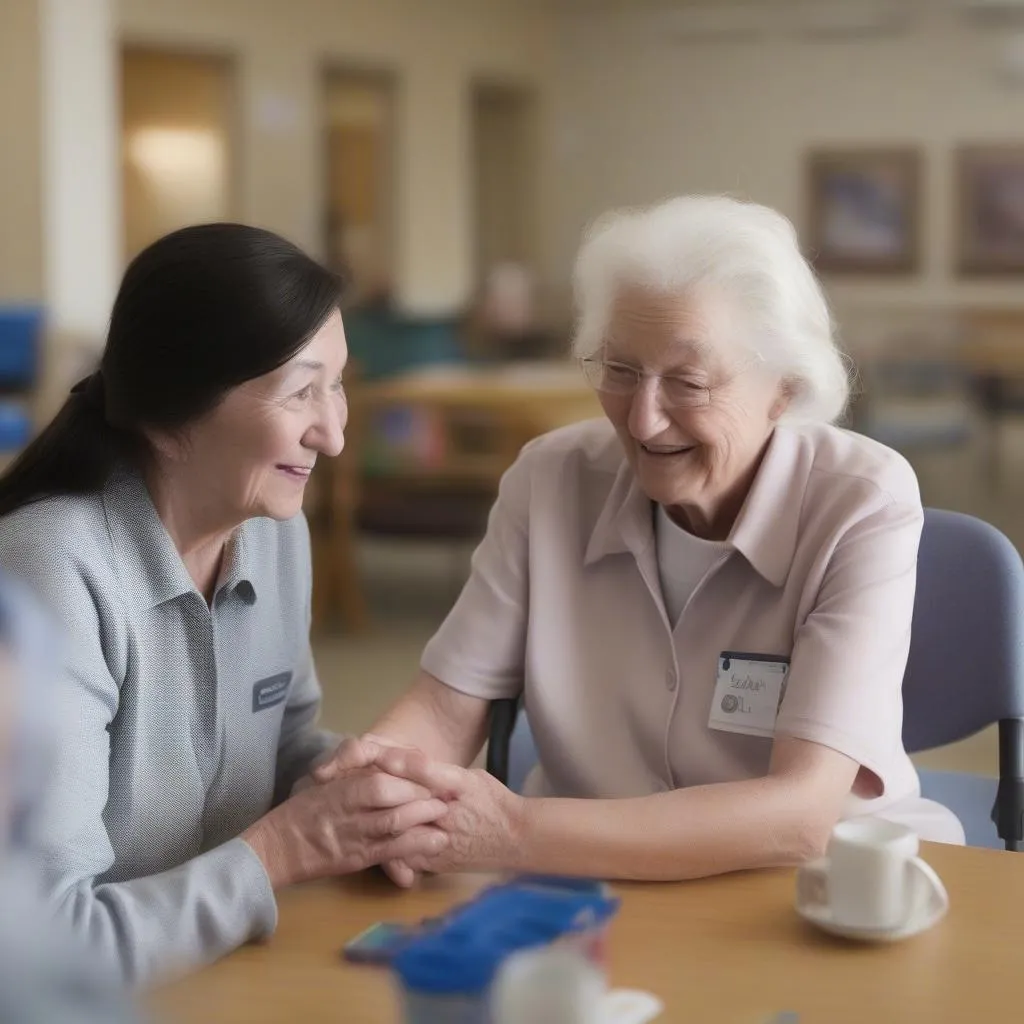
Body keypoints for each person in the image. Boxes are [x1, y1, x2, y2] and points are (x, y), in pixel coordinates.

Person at [314, 195, 965, 886]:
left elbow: (798, 815)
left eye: (687, 381)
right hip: (583, 874)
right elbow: (446, 709)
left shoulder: (859, 499)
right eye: (620, 371)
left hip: (804, 890)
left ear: (784, 391)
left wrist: (511, 830)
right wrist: (378, 791)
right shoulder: (552, 478)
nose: (646, 421)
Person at [0, 223, 447, 984]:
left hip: (218, 971)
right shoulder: (49, 573)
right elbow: (45, 947)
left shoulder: (272, 531)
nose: (334, 434)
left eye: (338, 384)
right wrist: (286, 850)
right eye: (302, 391)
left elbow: (279, 743)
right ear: (171, 414)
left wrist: (365, 793)